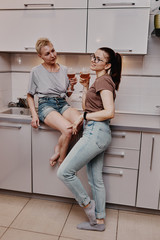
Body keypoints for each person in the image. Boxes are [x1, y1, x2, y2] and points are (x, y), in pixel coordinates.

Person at [57, 47, 122, 231]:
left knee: (64, 172)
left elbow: (109, 112)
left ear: (107, 65)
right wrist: (85, 88)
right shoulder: (99, 80)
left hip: (96, 133)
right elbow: (88, 107)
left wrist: (83, 118)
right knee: (95, 180)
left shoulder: (103, 81)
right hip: (98, 133)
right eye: (93, 56)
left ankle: (88, 205)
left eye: (98, 59)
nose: (93, 60)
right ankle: (99, 221)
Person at [27, 38, 81, 166]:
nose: (52, 55)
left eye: (53, 51)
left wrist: (72, 86)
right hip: (46, 105)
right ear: (40, 56)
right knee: (68, 130)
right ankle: (62, 161)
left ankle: (58, 148)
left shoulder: (64, 69)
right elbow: (29, 95)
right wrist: (34, 115)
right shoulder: (36, 71)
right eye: (47, 53)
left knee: (80, 121)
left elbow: (67, 94)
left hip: (62, 103)